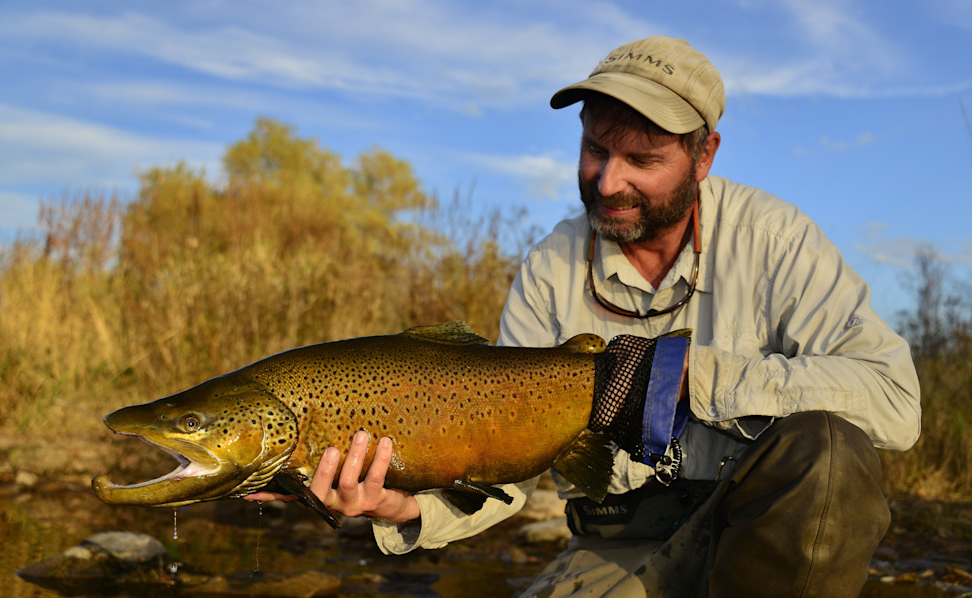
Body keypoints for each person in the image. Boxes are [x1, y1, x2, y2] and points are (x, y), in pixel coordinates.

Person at [247, 36, 921, 597]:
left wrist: (691, 378)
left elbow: (894, 402)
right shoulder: (552, 266)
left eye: (642, 160)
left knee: (828, 451)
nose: (607, 182)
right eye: (596, 149)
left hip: (761, 542)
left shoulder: (777, 240)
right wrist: (398, 507)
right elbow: (506, 475)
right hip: (614, 544)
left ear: (705, 156)